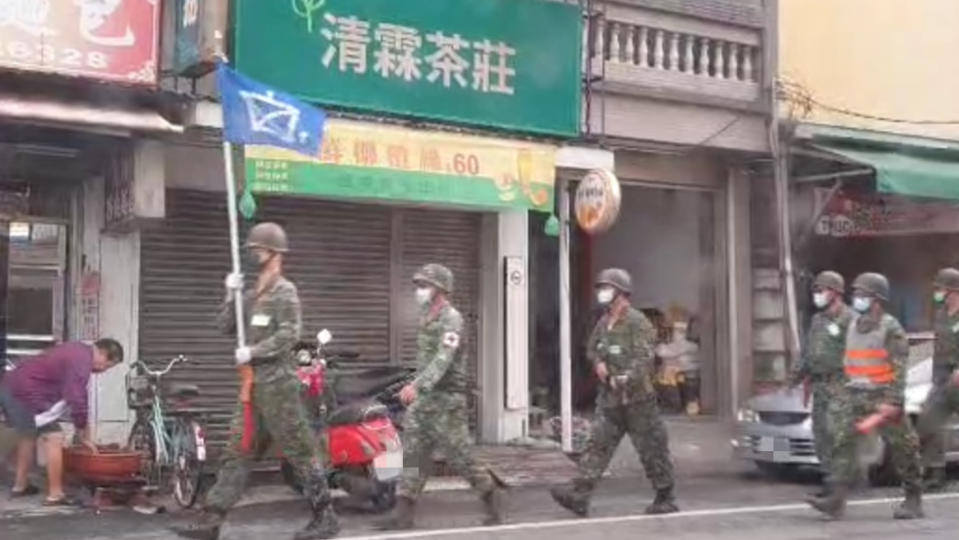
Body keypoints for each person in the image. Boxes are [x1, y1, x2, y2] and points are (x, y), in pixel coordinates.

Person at [172, 223, 338, 540]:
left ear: (275, 253)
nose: (253, 254)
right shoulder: (252, 293)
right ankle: (211, 521)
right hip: (253, 388)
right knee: (238, 451)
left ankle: (325, 516)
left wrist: (253, 350)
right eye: (251, 249)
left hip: (279, 385)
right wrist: (229, 293)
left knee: (300, 451)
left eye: (258, 249)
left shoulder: (285, 292)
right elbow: (223, 326)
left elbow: (290, 334)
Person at [376, 264, 504, 530]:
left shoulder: (452, 319)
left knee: (459, 456)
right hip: (425, 399)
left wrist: (417, 386)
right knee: (413, 455)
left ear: (441, 289)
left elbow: (443, 359)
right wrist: (415, 385)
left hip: (447, 400)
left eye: (426, 285)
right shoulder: (425, 314)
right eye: (420, 285)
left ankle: (491, 494)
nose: (420, 291)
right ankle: (404, 514)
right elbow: (426, 359)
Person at [551, 268, 678, 517]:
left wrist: (626, 378)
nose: (601, 292)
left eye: (607, 288)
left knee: (652, 448)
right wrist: (598, 363)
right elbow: (591, 348)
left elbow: (644, 358)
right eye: (600, 288)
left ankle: (665, 495)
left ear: (621, 293)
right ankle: (580, 495)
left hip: (638, 400)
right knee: (597, 445)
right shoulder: (603, 322)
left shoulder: (637, 322)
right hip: (610, 399)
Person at [807, 272, 923, 520]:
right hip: (855, 395)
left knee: (903, 448)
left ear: (877, 300)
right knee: (842, 444)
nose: (856, 298)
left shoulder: (891, 328)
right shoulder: (851, 325)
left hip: (883, 397)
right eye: (855, 293)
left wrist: (892, 402)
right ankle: (836, 500)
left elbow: (899, 368)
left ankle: (913, 499)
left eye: (862, 294)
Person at [0, 338, 123, 505]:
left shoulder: (79, 350)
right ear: (100, 353)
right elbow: (76, 397)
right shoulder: (81, 361)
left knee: (28, 436)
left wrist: (82, 427)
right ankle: (55, 494)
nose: (104, 370)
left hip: (12, 386)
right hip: (26, 393)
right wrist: (82, 431)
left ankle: (20, 486)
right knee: (54, 437)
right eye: (107, 365)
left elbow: (77, 392)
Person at [789, 271, 854, 494]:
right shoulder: (817, 320)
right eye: (815, 290)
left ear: (835, 292)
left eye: (821, 290)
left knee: (838, 437)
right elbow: (807, 353)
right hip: (820, 387)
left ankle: (840, 488)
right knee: (822, 437)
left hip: (841, 386)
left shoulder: (850, 320)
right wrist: (794, 379)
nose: (817, 295)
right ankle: (829, 482)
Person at [916, 267, 959, 491]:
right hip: (941, 377)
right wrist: (935, 378)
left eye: (941, 288)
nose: (938, 292)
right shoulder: (941, 314)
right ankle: (936, 472)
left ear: (952, 290)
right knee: (929, 421)